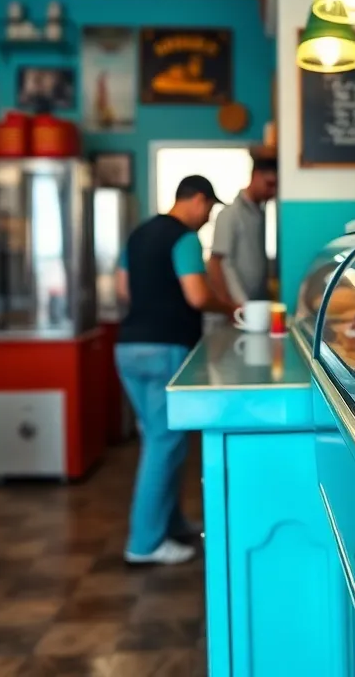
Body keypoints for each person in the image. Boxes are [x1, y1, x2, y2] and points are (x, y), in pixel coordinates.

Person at [115, 175, 233, 565]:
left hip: (128, 347)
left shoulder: (138, 235)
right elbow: (197, 296)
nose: (207, 217)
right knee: (164, 443)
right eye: (209, 209)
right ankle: (144, 544)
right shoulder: (183, 238)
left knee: (160, 437)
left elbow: (123, 290)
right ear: (197, 200)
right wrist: (231, 309)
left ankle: (171, 523)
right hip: (164, 347)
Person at [208, 155, 278, 306]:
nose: (272, 192)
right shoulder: (229, 214)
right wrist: (240, 303)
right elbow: (221, 263)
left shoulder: (260, 213)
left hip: (256, 302)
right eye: (269, 184)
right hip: (237, 306)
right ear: (256, 176)